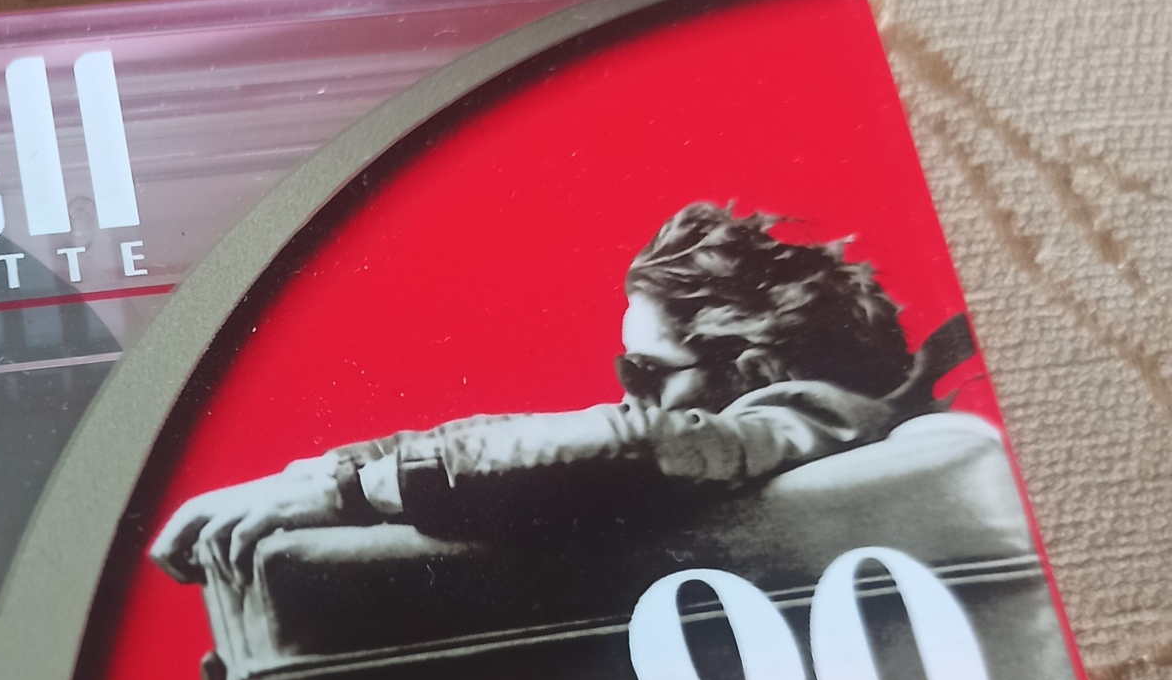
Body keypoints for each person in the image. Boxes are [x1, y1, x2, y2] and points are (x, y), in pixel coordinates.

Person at [150, 203, 971, 585]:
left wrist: (345, 495)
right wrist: (314, 477)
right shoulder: (829, 419)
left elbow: (631, 444)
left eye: (647, 373)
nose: (632, 397)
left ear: (752, 369)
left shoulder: (805, 416)